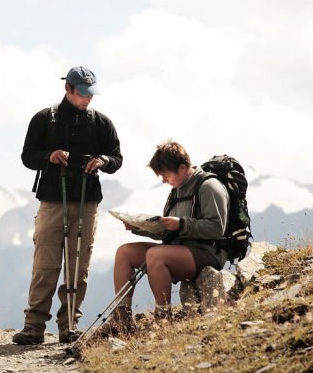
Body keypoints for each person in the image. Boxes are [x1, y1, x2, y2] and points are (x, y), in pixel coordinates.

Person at [13, 66, 123, 345]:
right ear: (68, 89)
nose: (87, 99)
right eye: (83, 93)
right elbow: (27, 156)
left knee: (78, 265)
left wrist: (102, 162)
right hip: (52, 198)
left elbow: (116, 158)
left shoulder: (101, 123)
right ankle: (34, 327)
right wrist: (50, 156)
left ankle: (69, 326)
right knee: (46, 264)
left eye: (90, 94)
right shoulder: (44, 119)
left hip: (87, 200)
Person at [105, 140, 229, 335]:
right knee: (125, 252)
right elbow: (168, 232)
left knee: (156, 255)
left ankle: (163, 319)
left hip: (207, 253)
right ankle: (122, 319)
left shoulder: (208, 186)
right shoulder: (176, 192)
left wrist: (181, 224)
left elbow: (216, 228)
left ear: (182, 167)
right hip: (179, 250)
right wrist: (138, 228)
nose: (164, 180)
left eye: (165, 175)